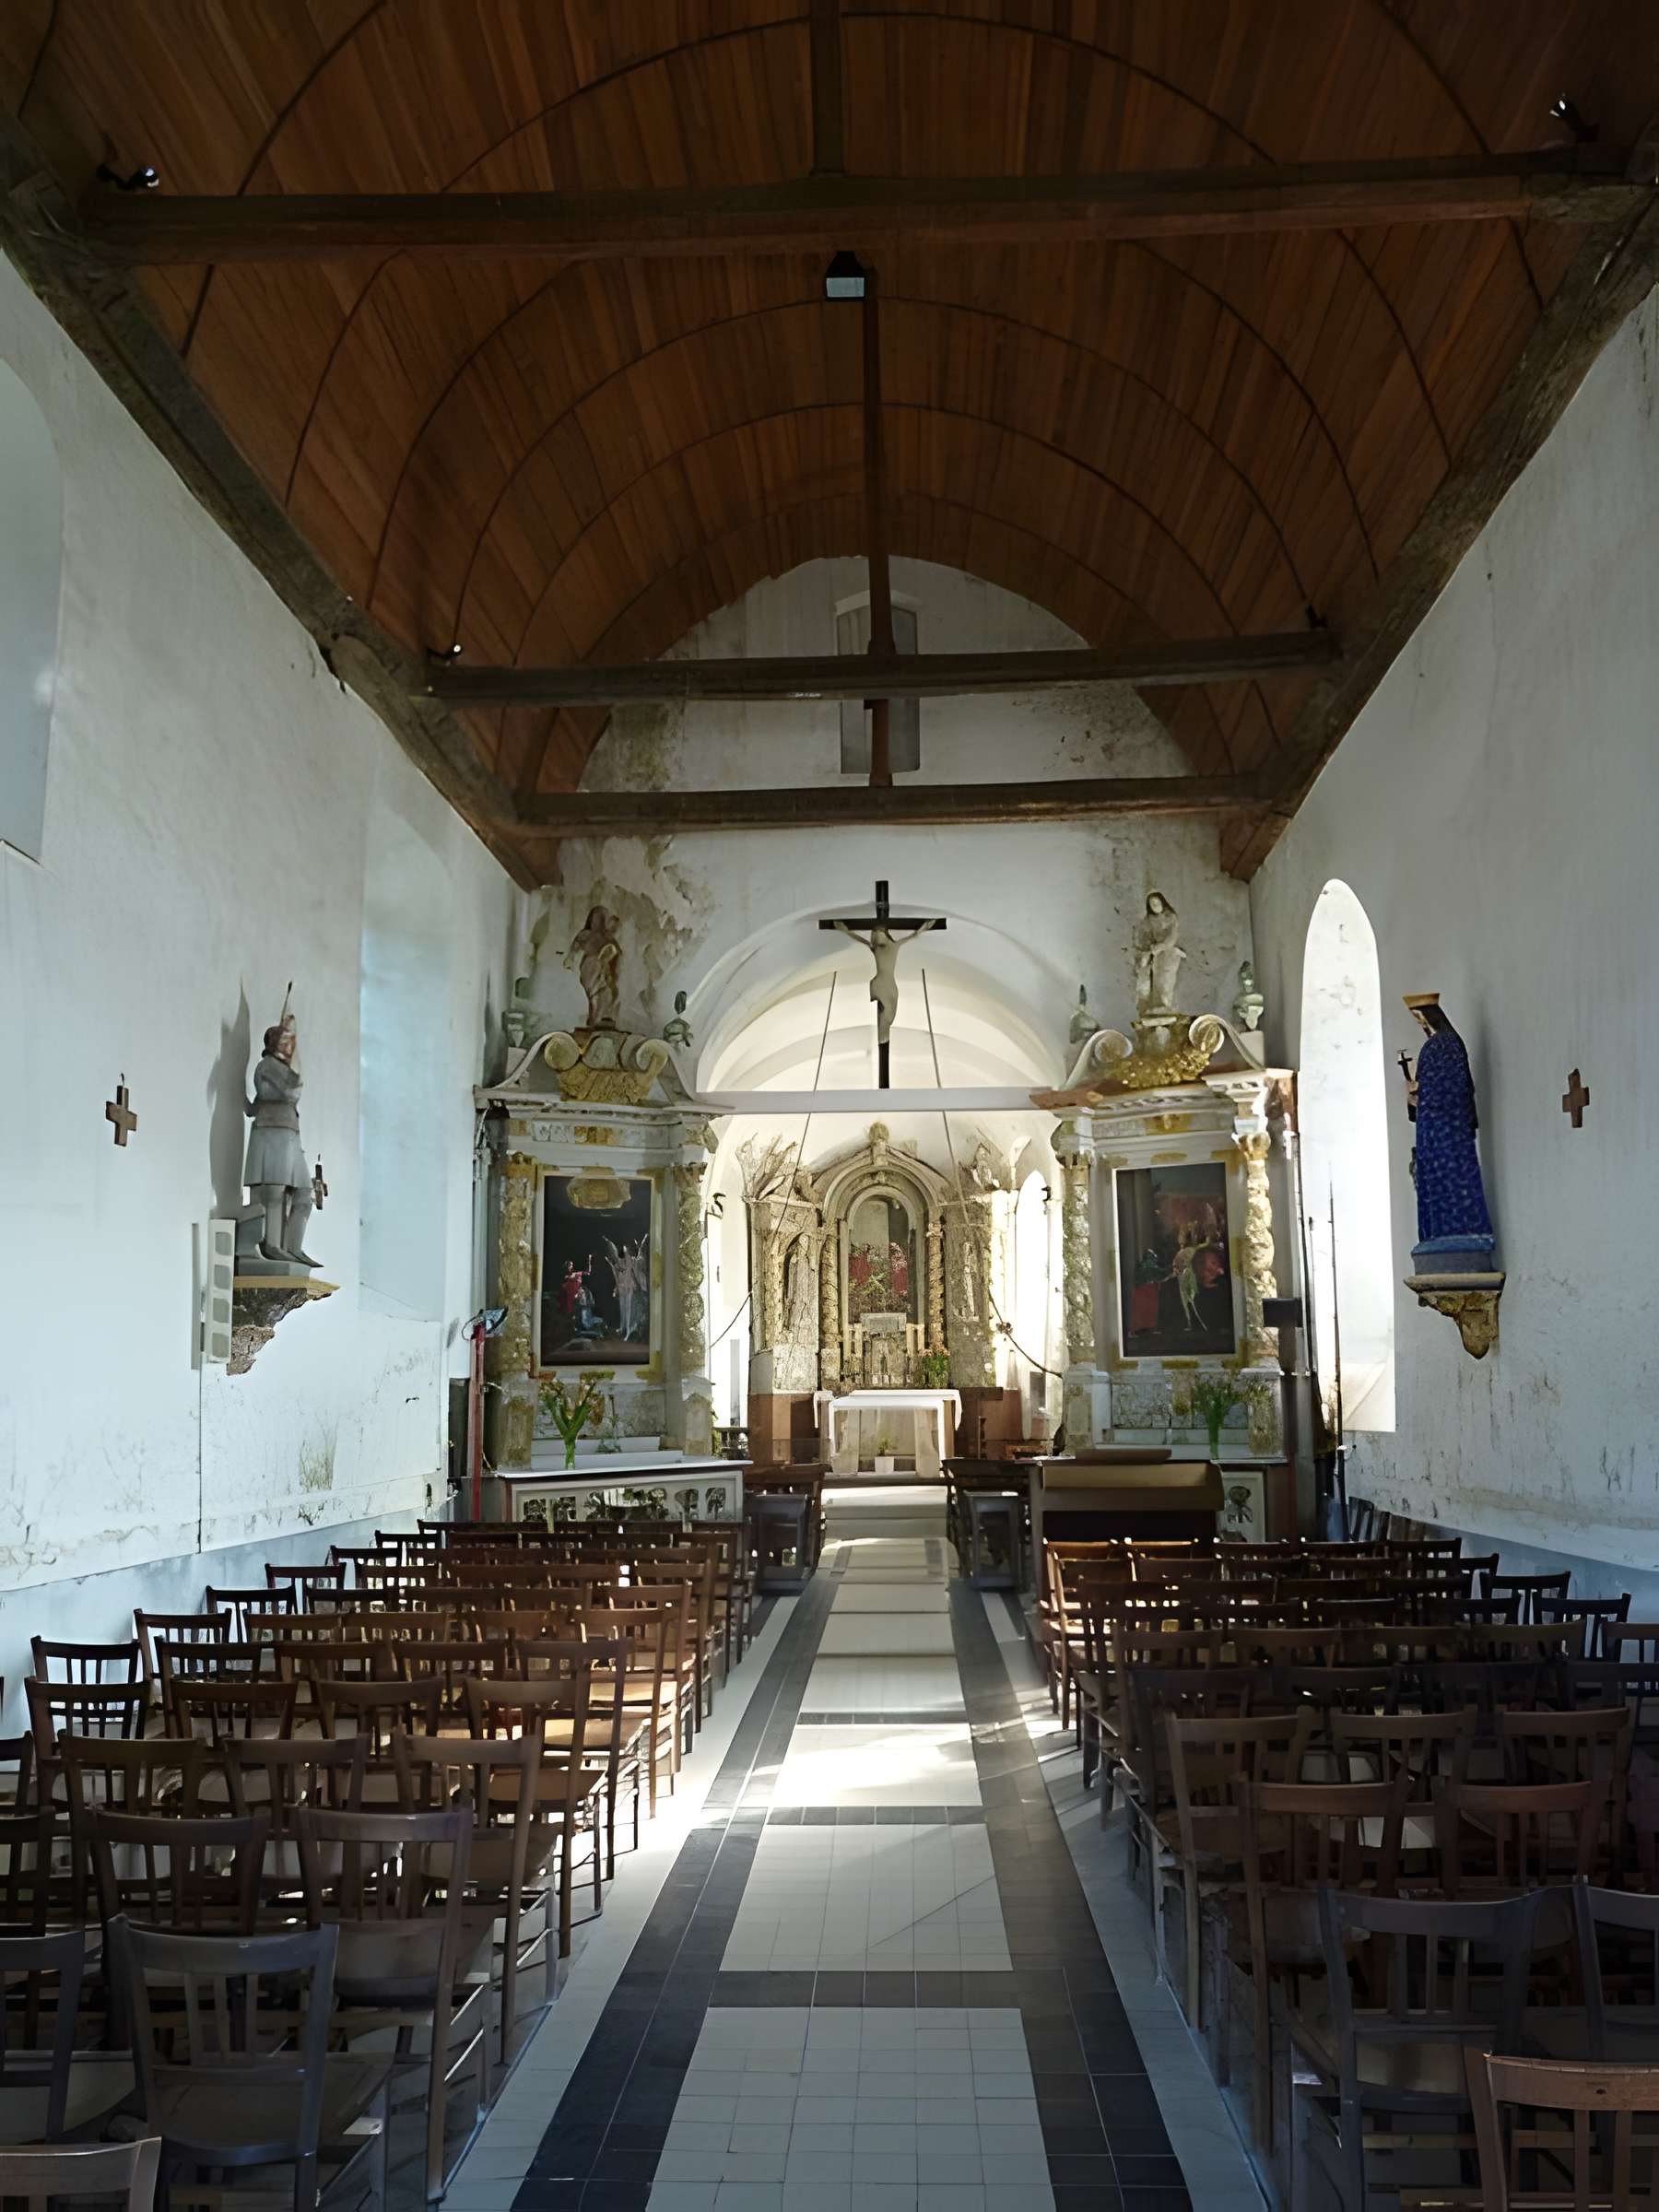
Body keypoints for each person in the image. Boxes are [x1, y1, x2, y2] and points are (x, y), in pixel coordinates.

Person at [1402, 994, 1495, 1259]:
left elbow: (1454, 1090)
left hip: (1446, 1130)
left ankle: (1455, 1237)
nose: (1420, 1025)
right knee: (1438, 1183)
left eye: (1420, 1018)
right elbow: (1431, 1094)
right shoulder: (1437, 1046)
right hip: (1435, 1129)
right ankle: (1441, 1237)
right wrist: (1414, 1099)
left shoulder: (1444, 1045)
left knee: (1451, 1181)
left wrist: (1423, 1096)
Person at [244, 1009, 318, 1265]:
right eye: (286, 1043)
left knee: (304, 1193)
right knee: (275, 1191)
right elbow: (292, 1091)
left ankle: (293, 1247)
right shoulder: (268, 1066)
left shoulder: (280, 1067)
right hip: (272, 1133)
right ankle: (273, 1245)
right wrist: (295, 1067)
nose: (290, 1048)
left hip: (289, 1135)